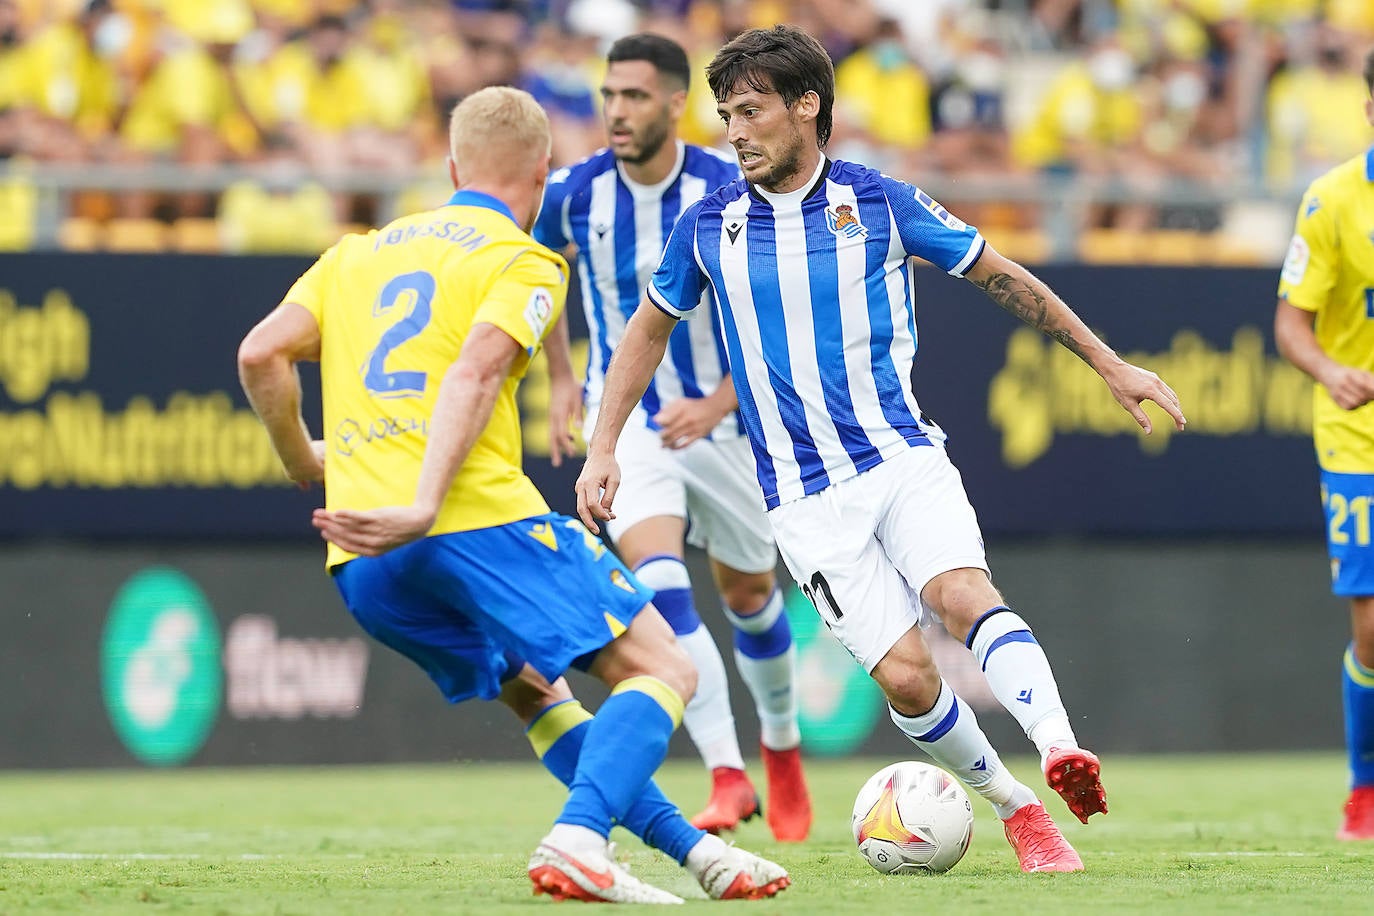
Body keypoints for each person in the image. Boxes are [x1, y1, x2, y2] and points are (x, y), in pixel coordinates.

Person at [576, 25, 1187, 874]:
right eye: (727, 116)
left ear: (807, 106)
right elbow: (647, 331)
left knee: (962, 593)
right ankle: (1017, 809)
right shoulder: (710, 224)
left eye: (751, 112)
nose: (735, 133)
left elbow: (1003, 277)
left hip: (901, 459)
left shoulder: (881, 203)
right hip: (801, 499)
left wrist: (1109, 363)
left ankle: (1058, 747)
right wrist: (604, 447)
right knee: (905, 679)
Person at [237, 85, 789, 903]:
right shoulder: (521, 259)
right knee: (666, 667)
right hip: (468, 523)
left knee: (537, 692)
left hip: (362, 559)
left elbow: (260, 354)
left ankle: (698, 856)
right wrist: (426, 503)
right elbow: (475, 371)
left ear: (453, 167)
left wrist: (300, 460)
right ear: (542, 171)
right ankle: (579, 837)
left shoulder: (355, 255)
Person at [534, 32, 811, 841]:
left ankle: (781, 746)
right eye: (608, 96)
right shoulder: (575, 192)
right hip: (627, 423)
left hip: (726, 424)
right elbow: (536, 269)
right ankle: (727, 773)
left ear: (675, 104)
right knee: (661, 586)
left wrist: (720, 400)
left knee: (750, 597)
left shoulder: (730, 185)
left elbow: (782, 312)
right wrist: (561, 376)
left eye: (634, 96)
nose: (616, 112)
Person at [1274, 47, 1374, 842]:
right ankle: (1364, 790)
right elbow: (1290, 327)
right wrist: (1332, 371)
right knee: (1371, 628)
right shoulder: (1331, 200)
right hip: (1357, 437)